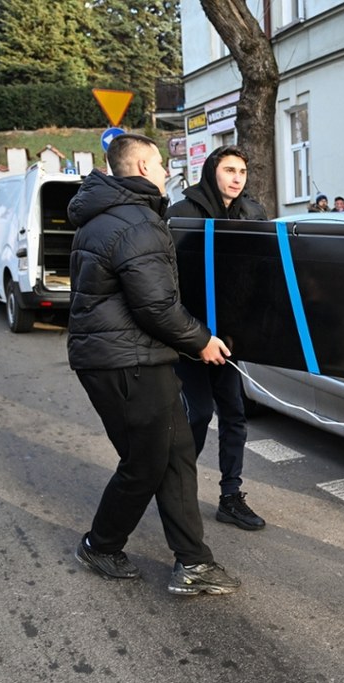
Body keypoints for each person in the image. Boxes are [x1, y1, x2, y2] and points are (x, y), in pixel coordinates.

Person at [66, 132, 240, 596]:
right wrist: (201, 341)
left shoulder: (109, 215)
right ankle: (100, 545)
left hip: (130, 357)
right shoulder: (136, 221)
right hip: (126, 363)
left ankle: (193, 563)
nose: (166, 171)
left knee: (176, 455)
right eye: (160, 163)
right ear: (142, 167)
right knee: (145, 463)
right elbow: (156, 306)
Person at [166, 145, 268, 532]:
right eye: (229, 170)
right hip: (189, 338)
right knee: (197, 414)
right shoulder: (181, 214)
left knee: (234, 415)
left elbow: (262, 273)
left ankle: (230, 496)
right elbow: (167, 284)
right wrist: (194, 337)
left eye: (242, 171)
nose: (237, 178)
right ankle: (177, 491)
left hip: (230, 338)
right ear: (212, 172)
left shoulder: (252, 214)